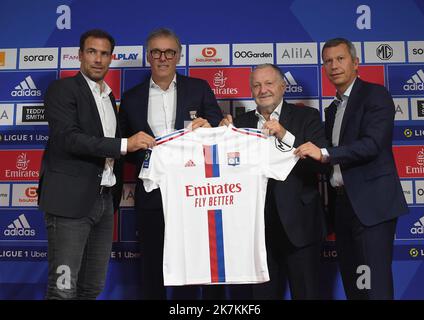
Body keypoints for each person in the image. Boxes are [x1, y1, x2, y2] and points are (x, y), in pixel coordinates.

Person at [38, 29, 153, 299]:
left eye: (104, 54)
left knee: (92, 288)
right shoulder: (62, 89)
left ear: (111, 57)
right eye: (92, 52)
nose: (98, 59)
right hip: (68, 203)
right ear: (80, 55)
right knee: (63, 289)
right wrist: (125, 144)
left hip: (104, 202)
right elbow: (69, 139)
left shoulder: (109, 97)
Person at [295, 38, 409, 299]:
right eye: (328, 61)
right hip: (343, 207)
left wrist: (323, 153)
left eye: (340, 59)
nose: (334, 65)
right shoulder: (333, 108)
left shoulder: (375, 94)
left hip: (371, 207)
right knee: (356, 285)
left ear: (356, 63)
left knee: (374, 287)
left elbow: (371, 145)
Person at [119, 28, 223, 299]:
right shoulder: (131, 98)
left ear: (179, 55)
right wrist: (142, 150)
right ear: (148, 56)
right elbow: (124, 147)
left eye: (169, 52)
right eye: (156, 51)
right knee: (152, 264)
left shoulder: (199, 89)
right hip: (152, 194)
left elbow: (219, 133)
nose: (163, 58)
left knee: (193, 263)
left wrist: (209, 125)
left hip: (194, 193)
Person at [220, 64, 328, 299]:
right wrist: (220, 139)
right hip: (255, 231)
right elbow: (224, 171)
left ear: (283, 86)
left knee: (308, 294)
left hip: (300, 226)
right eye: (257, 85)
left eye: (269, 83)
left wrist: (284, 134)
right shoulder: (239, 124)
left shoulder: (306, 117)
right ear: (251, 90)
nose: (263, 90)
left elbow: (320, 165)